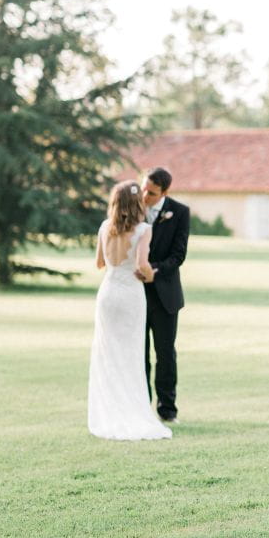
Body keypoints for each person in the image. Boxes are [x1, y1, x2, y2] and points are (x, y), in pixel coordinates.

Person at [88, 181, 172, 440]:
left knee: (108, 354)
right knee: (131, 354)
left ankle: (110, 414)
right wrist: (149, 275)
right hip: (131, 296)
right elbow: (142, 265)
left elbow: (100, 263)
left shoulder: (104, 227)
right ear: (136, 204)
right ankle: (132, 412)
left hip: (108, 294)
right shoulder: (143, 230)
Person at [138, 167, 190, 424]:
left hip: (165, 294)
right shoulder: (132, 207)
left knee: (165, 353)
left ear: (165, 192)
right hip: (135, 294)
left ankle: (167, 409)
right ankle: (140, 405)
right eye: (144, 188)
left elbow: (178, 255)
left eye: (152, 192)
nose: (145, 195)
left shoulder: (180, 212)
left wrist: (154, 271)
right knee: (139, 352)